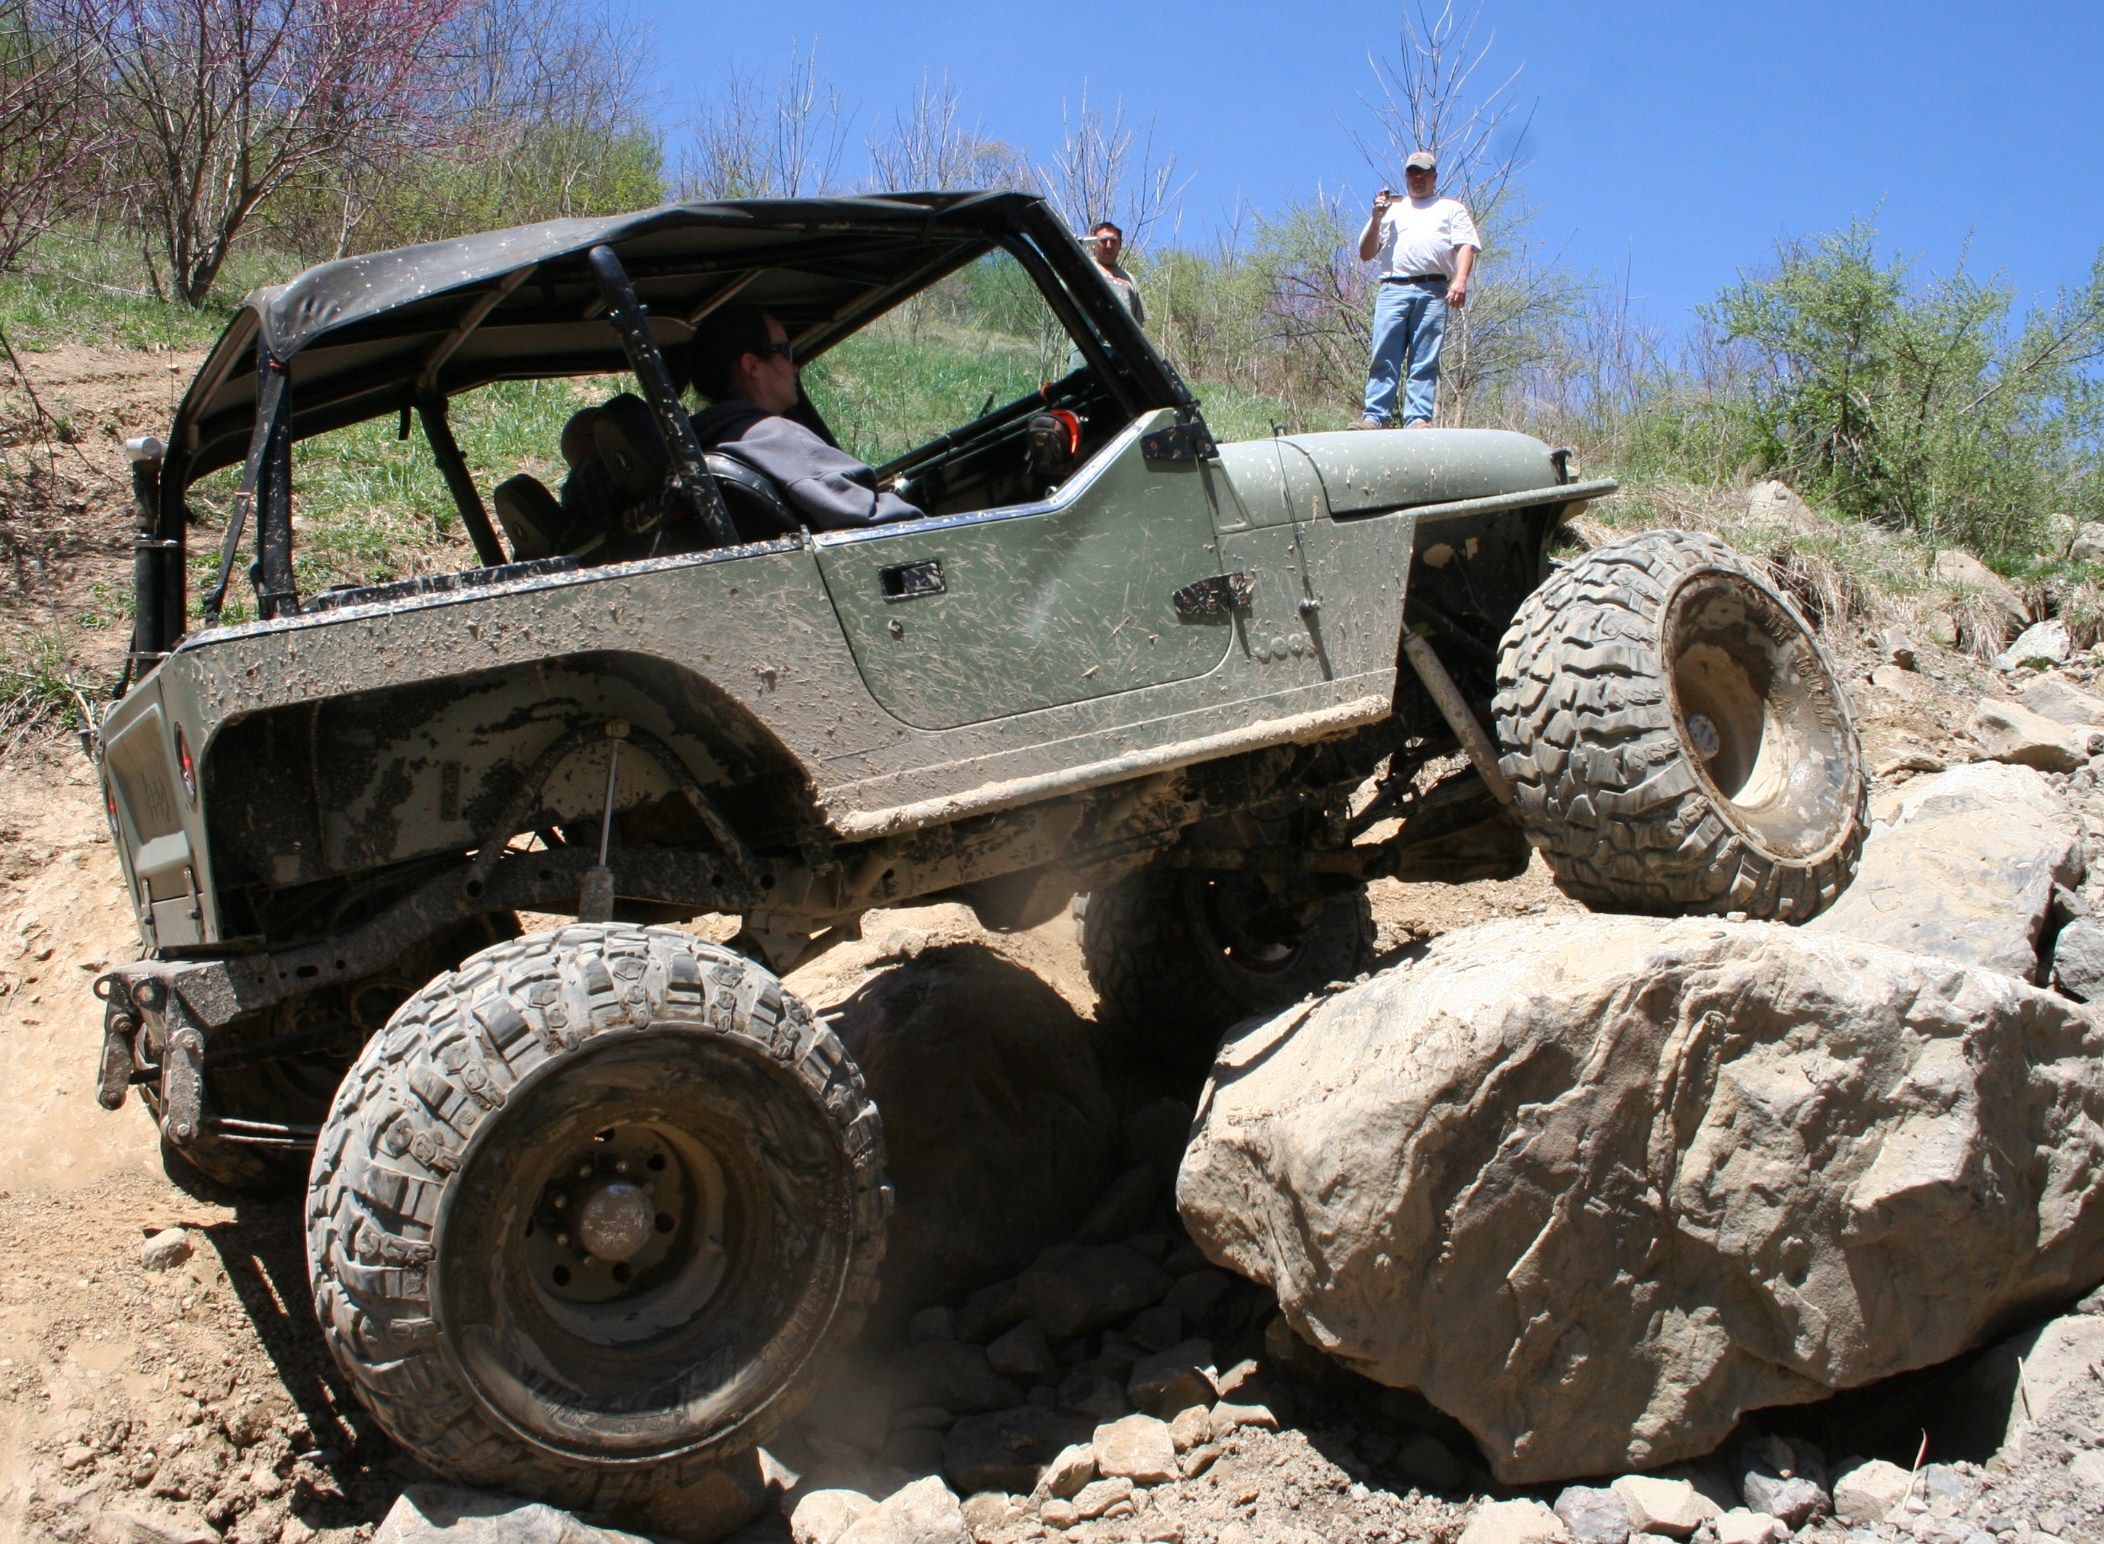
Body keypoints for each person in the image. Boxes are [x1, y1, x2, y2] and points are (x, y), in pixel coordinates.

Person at [682, 307, 921, 529]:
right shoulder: (775, 438)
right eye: (785, 352)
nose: (795, 368)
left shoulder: (700, 442)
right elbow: (882, 522)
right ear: (752, 366)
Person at [1353, 149, 1479, 429]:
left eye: (1424, 173)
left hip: (1434, 290)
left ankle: (1417, 418)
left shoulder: (1450, 208)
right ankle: (1374, 417)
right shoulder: (1391, 209)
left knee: (1424, 358)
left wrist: (1460, 281)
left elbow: (1466, 246)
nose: (1418, 178)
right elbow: (1366, 253)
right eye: (1413, 172)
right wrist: (1376, 218)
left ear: (1434, 176)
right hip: (1393, 289)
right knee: (1384, 355)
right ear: (1406, 175)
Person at [1087, 221, 1146, 325]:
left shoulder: (1129, 278)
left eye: (1113, 241)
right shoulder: (1082, 267)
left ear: (1120, 246)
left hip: (1121, 335)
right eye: (1103, 241)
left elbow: (1138, 323)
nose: (1108, 245)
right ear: (1093, 244)